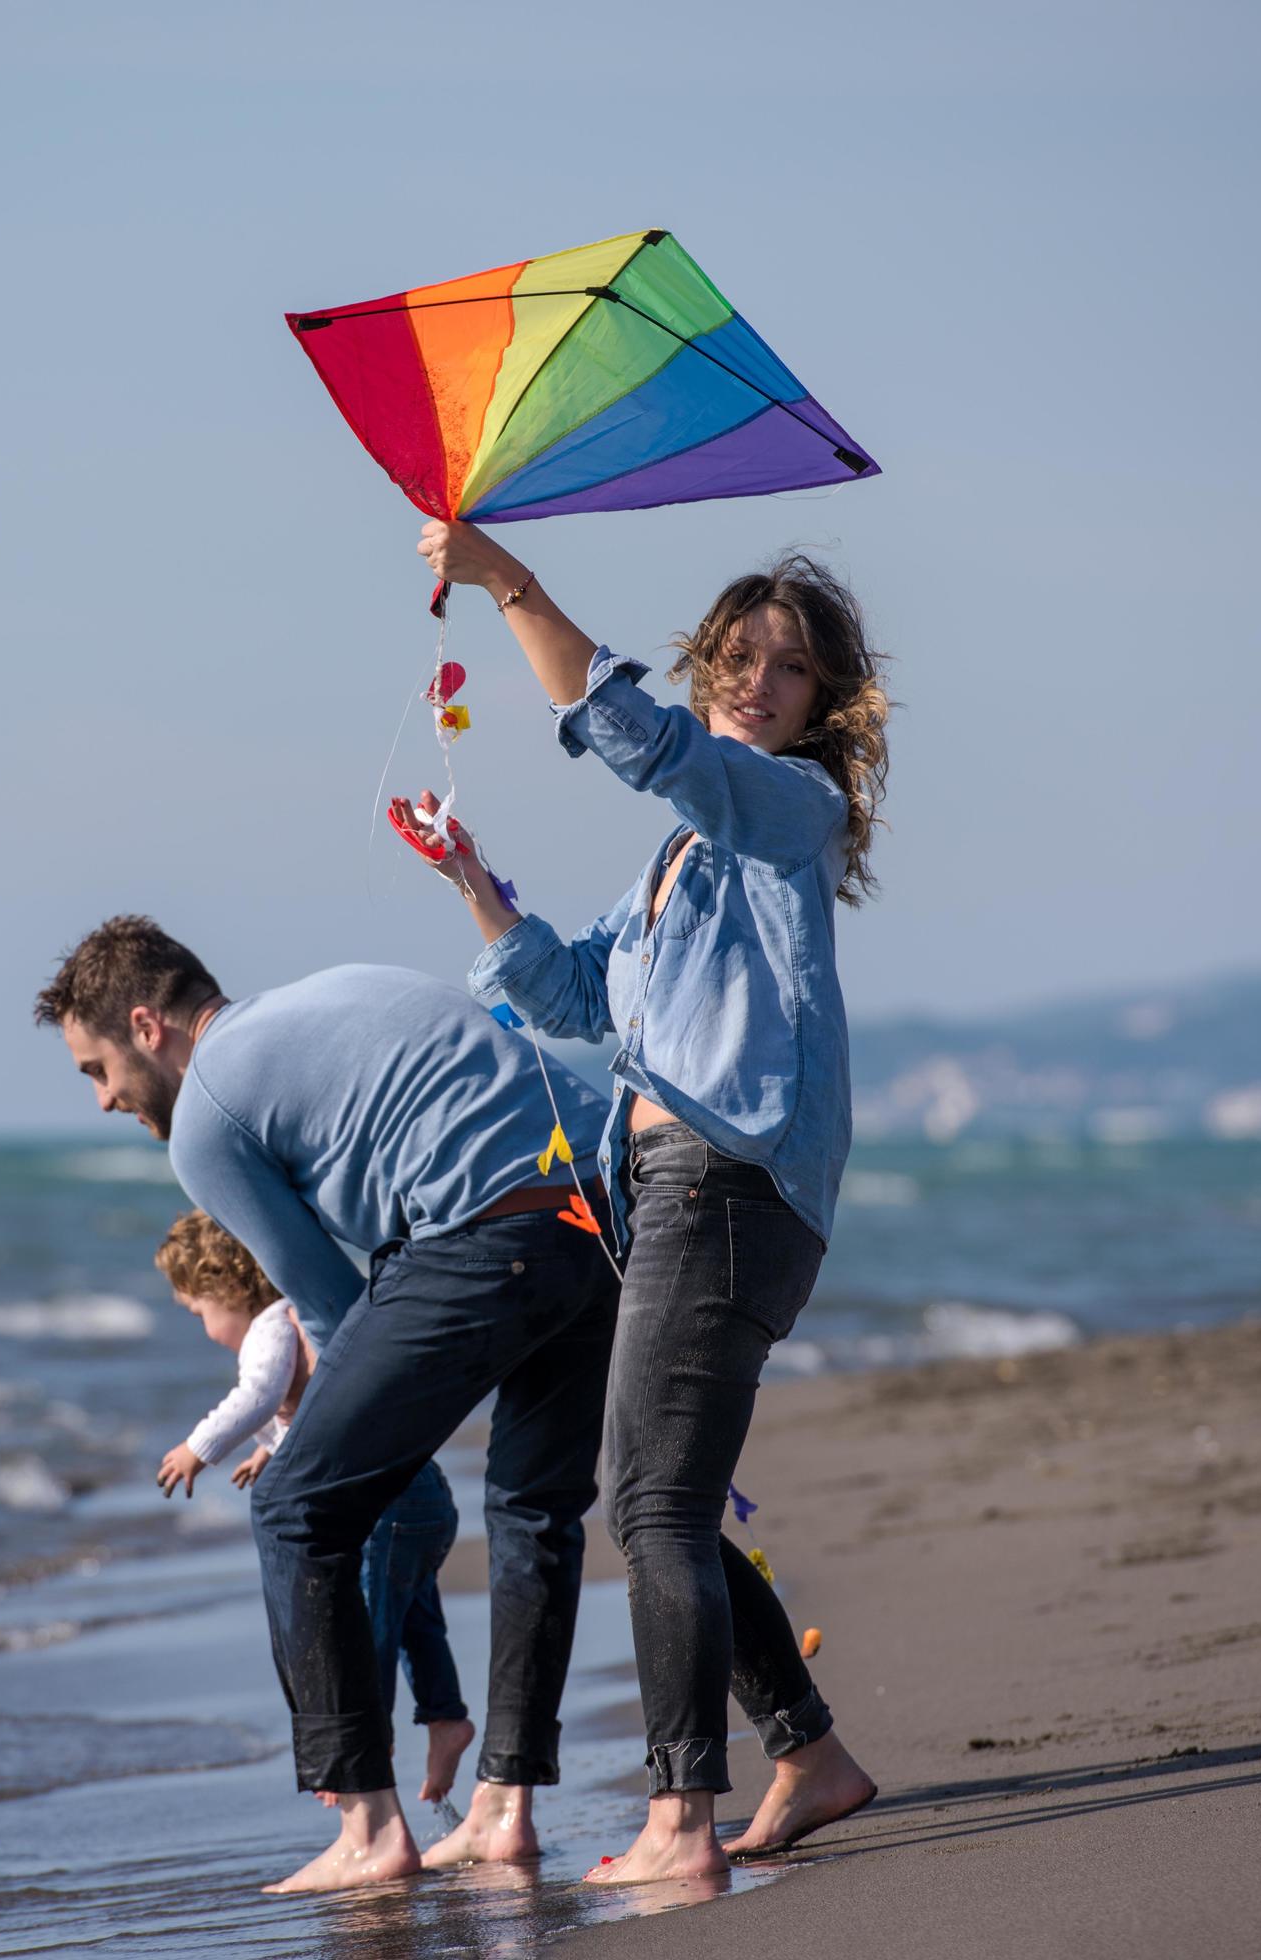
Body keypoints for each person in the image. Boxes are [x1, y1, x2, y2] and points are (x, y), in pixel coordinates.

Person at [407, 517, 887, 1883]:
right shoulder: (679, 862)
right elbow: (571, 1000)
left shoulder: (791, 808)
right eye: (736, 658)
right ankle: (811, 1756)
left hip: (727, 1186)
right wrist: (474, 884)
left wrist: (510, 584)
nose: (753, 682)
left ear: (820, 705)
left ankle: (681, 1818)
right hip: (673, 1184)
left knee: (652, 1506)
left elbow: (655, 750)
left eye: (785, 670)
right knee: (654, 1497)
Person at [36, 916, 617, 1894]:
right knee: (531, 1509)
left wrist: (333, 1447)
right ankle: (504, 1807)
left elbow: (325, 1304)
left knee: (297, 1507)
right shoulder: (336, 987)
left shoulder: (207, 1114)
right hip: (597, 1206)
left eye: (96, 1068)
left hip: (482, 1231)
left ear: (146, 1024)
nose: (103, 1099)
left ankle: (367, 1824)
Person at [149, 1208, 475, 1806]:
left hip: (388, 1507)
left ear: (224, 1286)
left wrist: (200, 1448)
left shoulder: (272, 1324)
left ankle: (364, 1752)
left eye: (199, 1312)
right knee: (415, 1621)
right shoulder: (303, 1319)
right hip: (421, 1495)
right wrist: (273, 1452)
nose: (204, 1328)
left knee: (371, 1623)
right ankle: (445, 1720)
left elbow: (261, 1393)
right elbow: (314, 1406)